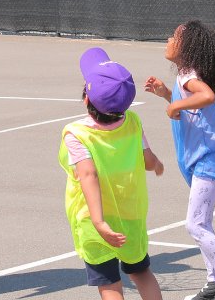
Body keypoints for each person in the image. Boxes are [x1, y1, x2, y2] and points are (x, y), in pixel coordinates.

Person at [145, 21, 215, 300]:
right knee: (203, 222)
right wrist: (167, 95)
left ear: (187, 47)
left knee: (195, 224)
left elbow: (207, 96)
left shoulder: (190, 76)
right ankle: (214, 282)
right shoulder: (183, 76)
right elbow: (190, 101)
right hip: (199, 160)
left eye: (174, 36)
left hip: (209, 160)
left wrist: (176, 104)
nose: (168, 39)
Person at [59, 47, 166, 300]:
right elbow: (147, 161)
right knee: (142, 273)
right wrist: (158, 163)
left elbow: (88, 175)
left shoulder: (76, 133)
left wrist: (99, 222)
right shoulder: (133, 121)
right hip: (131, 215)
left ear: (86, 99)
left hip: (93, 219)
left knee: (109, 284)